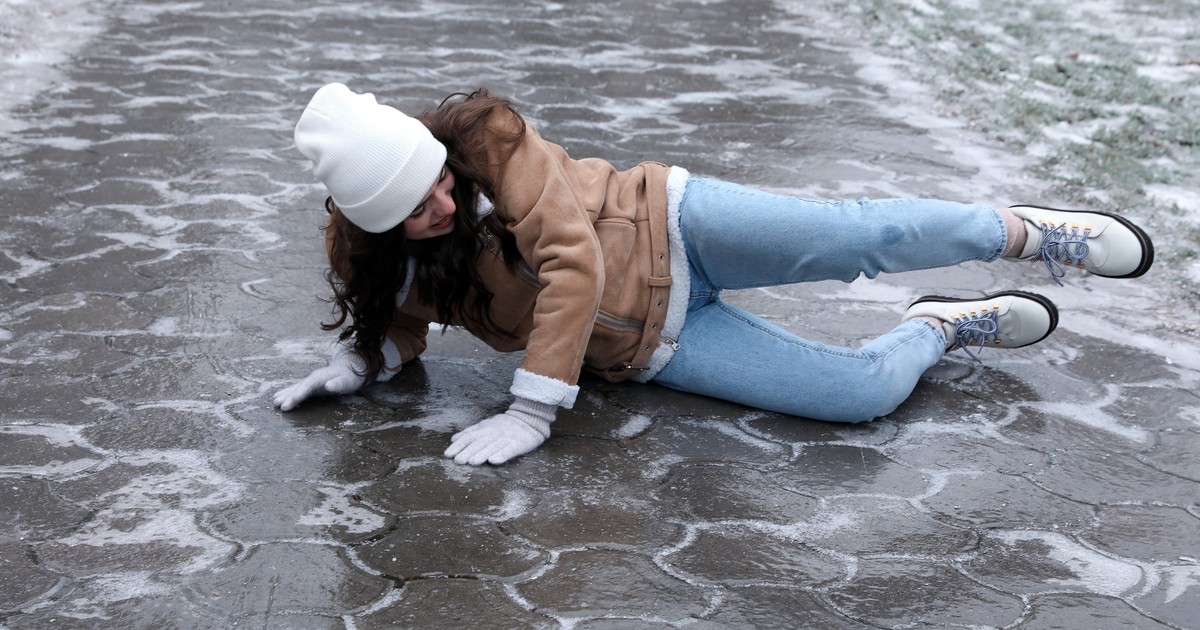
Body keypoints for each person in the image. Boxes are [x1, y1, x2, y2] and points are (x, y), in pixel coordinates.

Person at [275, 83, 1154, 466]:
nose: (440, 201)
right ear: (373, 222)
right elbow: (403, 321)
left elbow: (573, 262)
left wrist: (533, 408)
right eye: (413, 207)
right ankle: (941, 325)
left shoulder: (488, 140)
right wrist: (363, 361)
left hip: (673, 222)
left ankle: (1023, 232)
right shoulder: (367, 251)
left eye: (436, 179)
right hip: (650, 345)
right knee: (854, 398)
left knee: (850, 239)